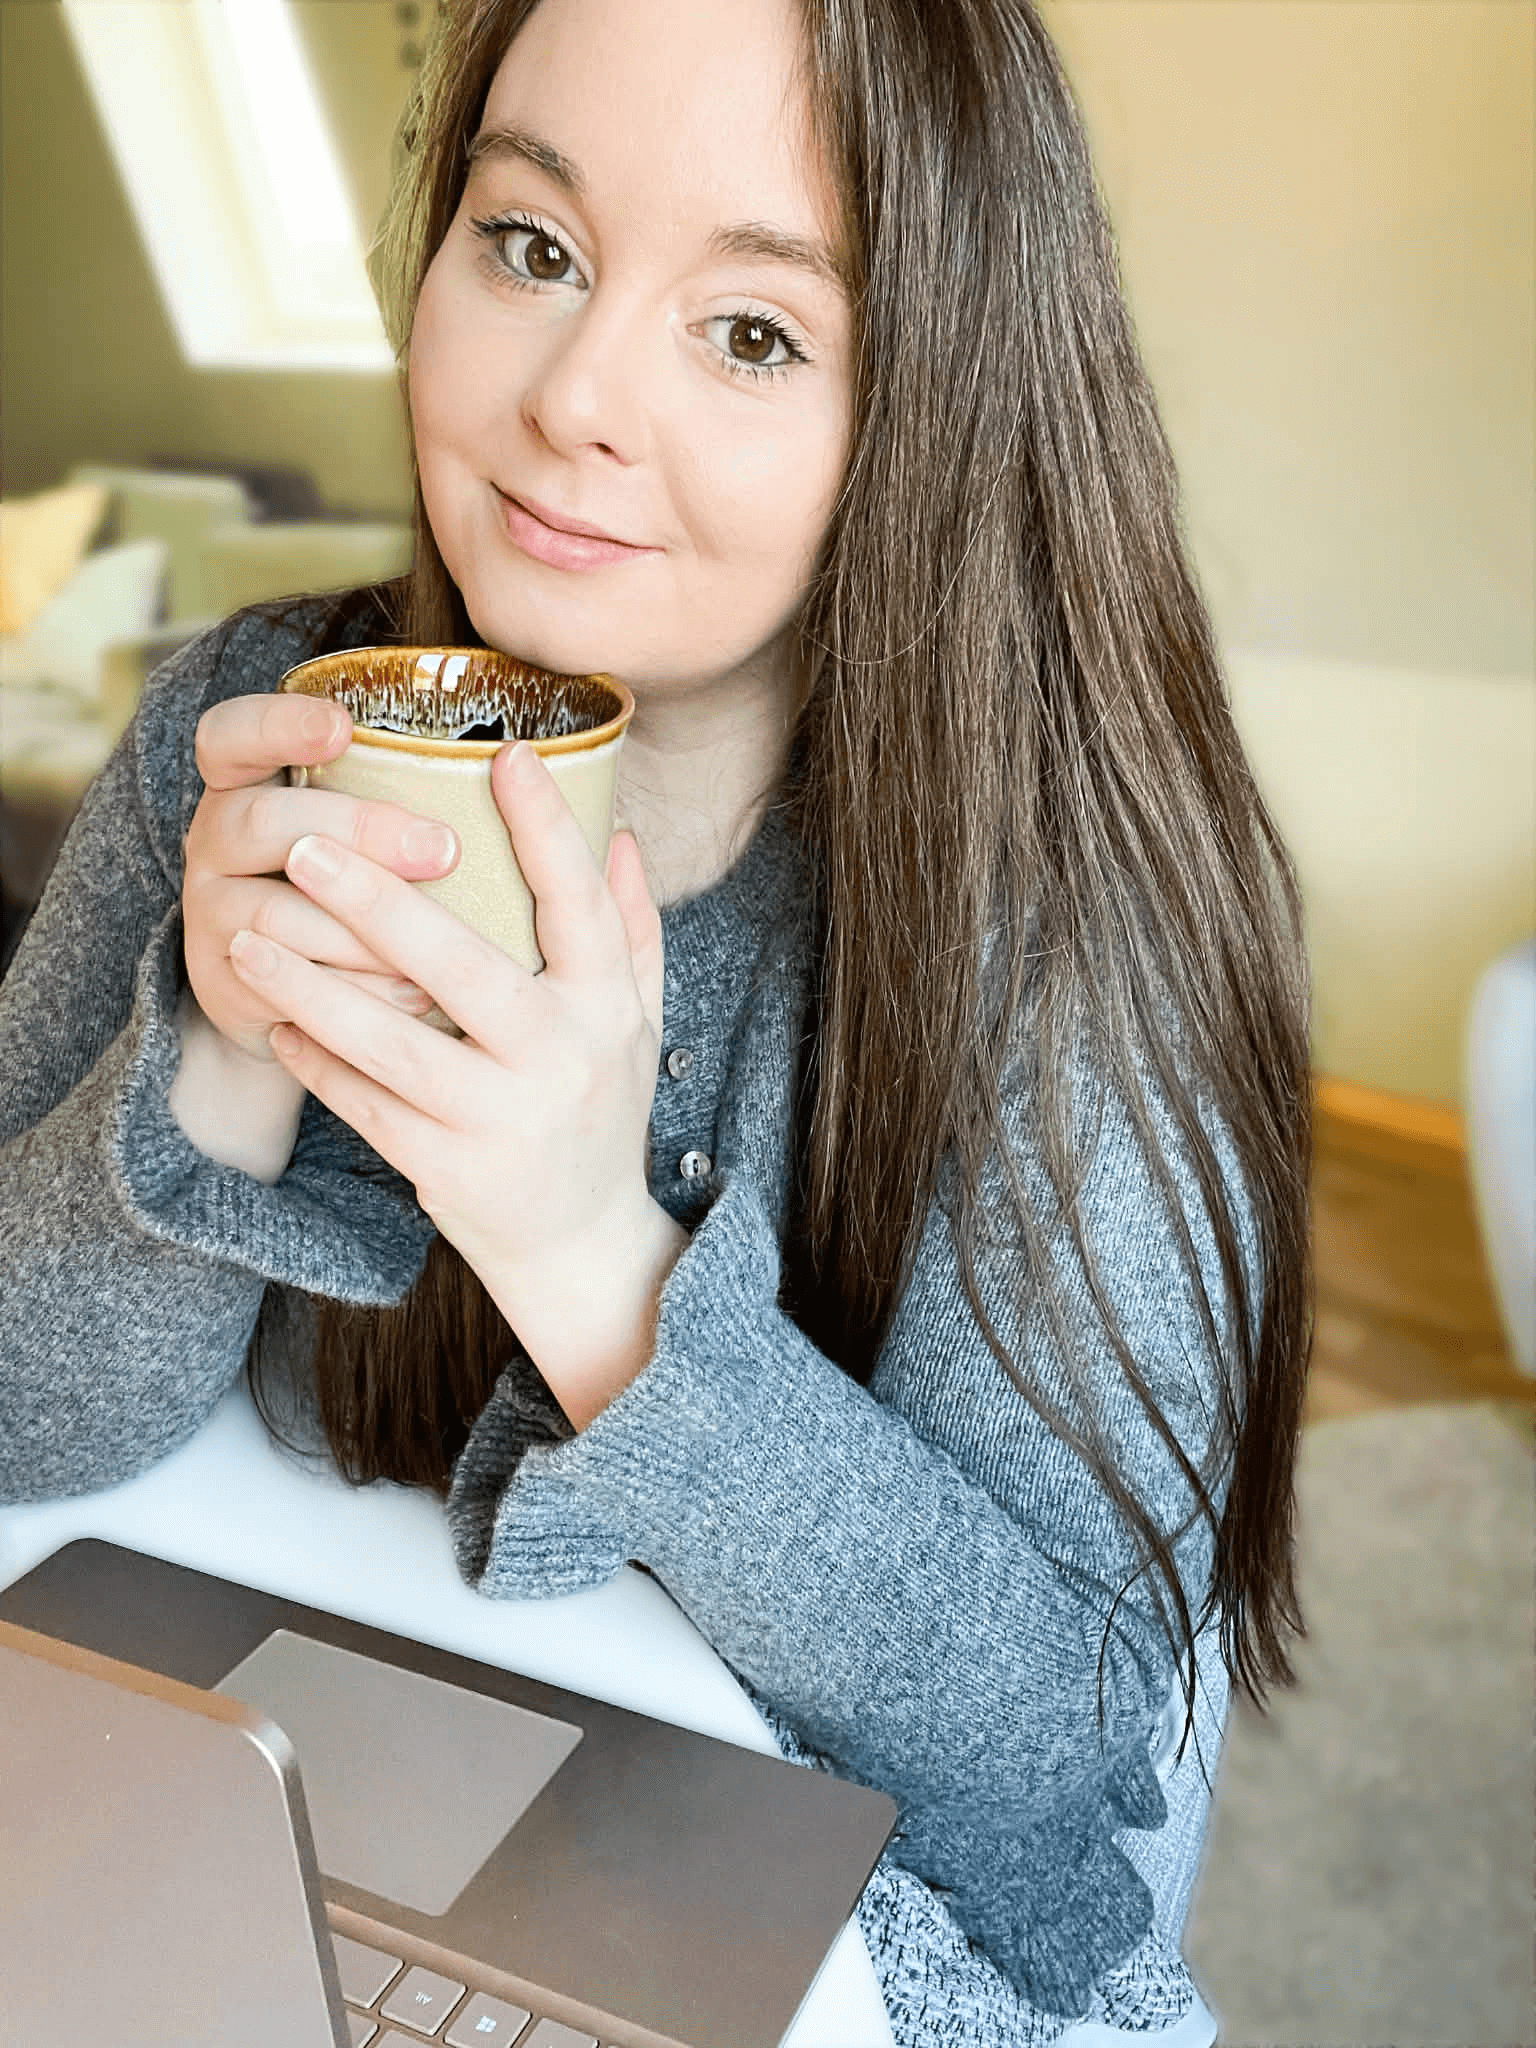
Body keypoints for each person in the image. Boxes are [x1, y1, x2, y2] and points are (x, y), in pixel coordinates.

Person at [0, 0, 1314, 2038]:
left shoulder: (1064, 939)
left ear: (936, 410)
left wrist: (589, 1255)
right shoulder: (233, 736)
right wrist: (222, 1052)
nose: (575, 401)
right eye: (530, 247)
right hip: (277, 1813)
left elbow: (1070, 1799)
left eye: (756, 333)